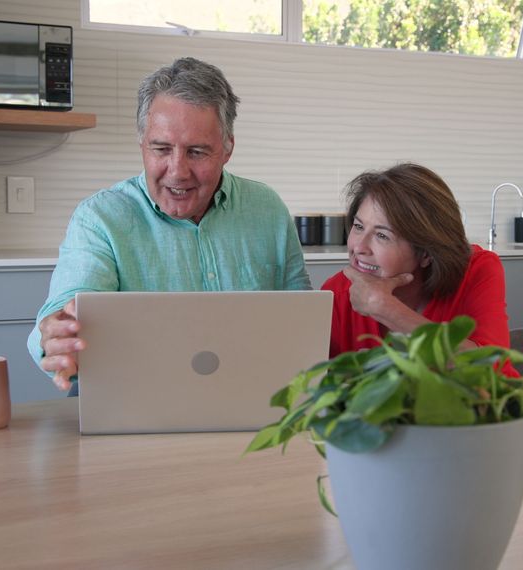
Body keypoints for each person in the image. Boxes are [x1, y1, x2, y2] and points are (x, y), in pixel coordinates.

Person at [28, 57, 311, 392]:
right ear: (142, 145)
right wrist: (56, 337)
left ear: (227, 148)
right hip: (136, 409)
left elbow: (303, 321)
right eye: (161, 149)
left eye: (196, 152)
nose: (177, 171)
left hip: (254, 405)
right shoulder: (100, 218)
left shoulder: (268, 210)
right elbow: (67, 309)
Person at [322, 162, 517, 375]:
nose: (358, 247)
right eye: (358, 227)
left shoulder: (476, 270)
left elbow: (491, 368)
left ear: (425, 253)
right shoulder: (335, 294)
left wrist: (384, 308)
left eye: (382, 235)